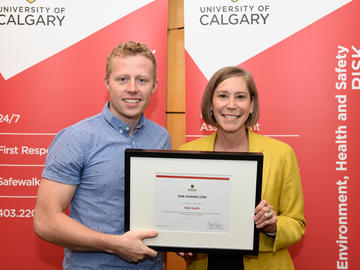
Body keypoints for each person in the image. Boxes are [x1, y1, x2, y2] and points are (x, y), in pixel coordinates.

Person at [33, 41, 172, 270]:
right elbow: (45, 221)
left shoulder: (161, 138)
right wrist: (116, 245)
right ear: (107, 82)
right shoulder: (76, 137)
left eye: (142, 80)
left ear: (154, 86)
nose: (132, 88)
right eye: (122, 79)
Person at [178, 66, 305, 270]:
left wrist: (273, 226)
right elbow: (179, 217)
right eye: (222, 96)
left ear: (252, 105)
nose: (231, 105)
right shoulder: (186, 153)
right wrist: (178, 238)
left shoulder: (281, 153)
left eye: (240, 97)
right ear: (211, 103)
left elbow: (297, 224)